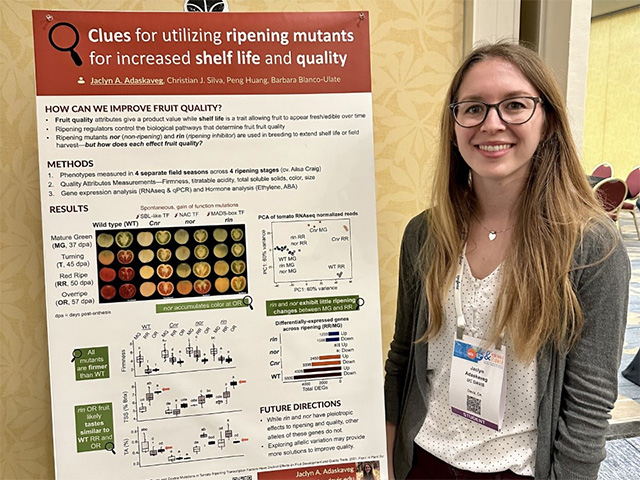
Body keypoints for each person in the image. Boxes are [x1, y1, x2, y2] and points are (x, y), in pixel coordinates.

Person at [384, 41, 630, 480]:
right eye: (473, 108)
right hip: (422, 461)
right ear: (455, 122)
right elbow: (403, 359)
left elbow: (589, 405)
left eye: (515, 105)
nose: (491, 124)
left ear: (548, 120)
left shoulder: (591, 248)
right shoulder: (425, 233)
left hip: (516, 470)